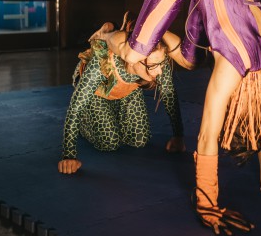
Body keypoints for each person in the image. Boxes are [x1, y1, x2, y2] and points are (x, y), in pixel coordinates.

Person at [90, 0, 261, 236]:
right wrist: (208, 205)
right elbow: (206, 138)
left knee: (191, 60)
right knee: (132, 54)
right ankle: (109, 34)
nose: (230, 112)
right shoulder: (233, 67)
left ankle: (155, 31)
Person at [58, 14, 185, 175]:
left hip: (127, 92)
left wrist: (178, 136)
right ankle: (86, 123)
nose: (159, 71)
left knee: (139, 140)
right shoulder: (102, 62)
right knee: (109, 142)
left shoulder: (158, 58)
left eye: (160, 64)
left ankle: (114, 113)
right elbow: (76, 106)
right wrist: (69, 154)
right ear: (134, 59)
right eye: (153, 66)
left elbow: (169, 95)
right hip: (98, 95)